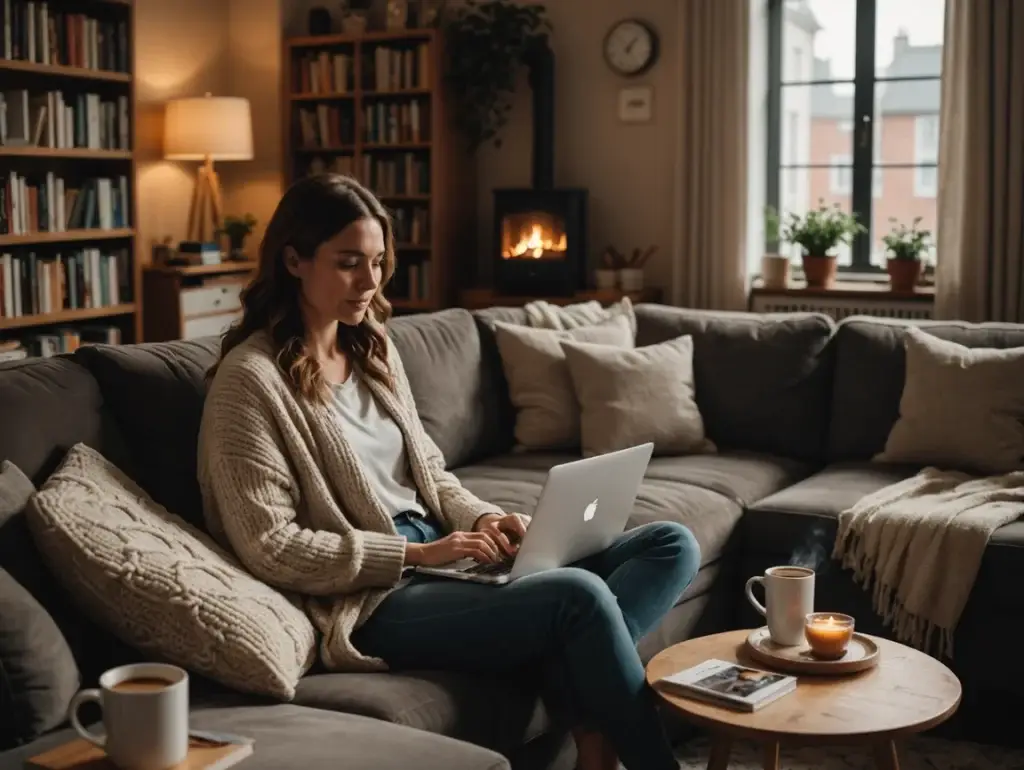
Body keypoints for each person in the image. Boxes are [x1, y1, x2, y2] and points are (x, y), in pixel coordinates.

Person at [197, 173, 702, 770]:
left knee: (671, 544)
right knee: (579, 594)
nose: (370, 282)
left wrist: (484, 519)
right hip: (372, 598)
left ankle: (588, 715)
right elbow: (271, 546)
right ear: (294, 261)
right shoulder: (251, 382)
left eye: (378, 262)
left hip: (445, 558)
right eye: (349, 263)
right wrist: (416, 554)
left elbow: (430, 473)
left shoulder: (372, 349)